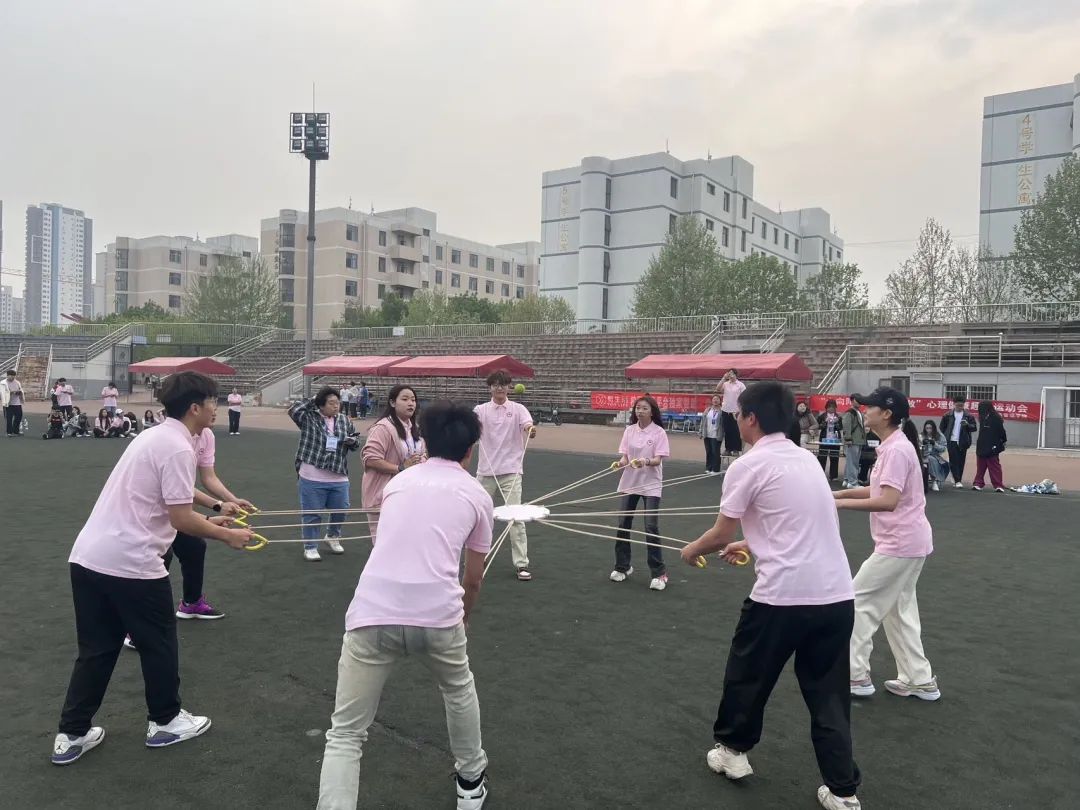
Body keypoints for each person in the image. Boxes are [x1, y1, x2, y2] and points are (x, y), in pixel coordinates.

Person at [50, 371, 253, 766]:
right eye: (212, 401)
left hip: (89, 558)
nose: (216, 408)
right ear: (195, 408)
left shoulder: (155, 436)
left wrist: (214, 512)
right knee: (158, 642)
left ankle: (71, 734)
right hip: (132, 564)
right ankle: (166, 721)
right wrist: (225, 535)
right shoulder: (177, 447)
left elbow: (171, 495)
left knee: (96, 650)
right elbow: (180, 518)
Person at [679, 381, 861, 810]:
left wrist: (691, 550)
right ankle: (843, 791)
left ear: (751, 418)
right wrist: (750, 542)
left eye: (739, 413)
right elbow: (799, 520)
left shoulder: (748, 465)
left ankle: (732, 752)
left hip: (781, 598)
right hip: (836, 596)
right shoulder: (807, 459)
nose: (737, 420)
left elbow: (720, 531)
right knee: (829, 694)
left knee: (747, 676)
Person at [316, 401, 493, 810]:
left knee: (345, 733)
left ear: (425, 443)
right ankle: (470, 781)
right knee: (458, 690)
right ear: (470, 450)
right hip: (438, 617)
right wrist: (464, 615)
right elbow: (473, 578)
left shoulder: (399, 483)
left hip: (372, 612)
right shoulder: (477, 495)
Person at [834, 388, 939, 705]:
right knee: (899, 612)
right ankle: (919, 679)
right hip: (908, 543)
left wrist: (838, 504)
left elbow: (888, 501)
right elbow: (877, 490)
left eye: (871, 407)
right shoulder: (894, 447)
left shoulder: (896, 450)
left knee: (857, 602)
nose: (865, 410)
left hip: (899, 545)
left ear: (887, 414)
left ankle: (855, 675)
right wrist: (837, 494)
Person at [473, 369, 537, 581]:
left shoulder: (518, 409)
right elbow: (471, 425)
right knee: (479, 518)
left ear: (509, 387)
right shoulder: (480, 410)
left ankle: (522, 564)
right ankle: (477, 559)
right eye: (495, 384)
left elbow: (527, 425)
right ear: (489, 388)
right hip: (486, 472)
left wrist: (530, 430)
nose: (499, 388)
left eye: (503, 384)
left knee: (515, 519)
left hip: (511, 471)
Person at [288, 386, 360, 562]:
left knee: (341, 509)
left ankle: (332, 536)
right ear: (321, 405)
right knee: (312, 513)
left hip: (338, 473)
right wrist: (315, 399)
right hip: (312, 474)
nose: (336, 406)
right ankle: (310, 546)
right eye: (331, 403)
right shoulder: (308, 417)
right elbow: (294, 410)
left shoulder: (344, 420)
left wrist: (352, 441)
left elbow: (355, 441)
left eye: (338, 403)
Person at [609, 396, 671, 591]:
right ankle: (622, 566)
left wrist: (645, 461)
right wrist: (620, 463)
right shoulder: (629, 430)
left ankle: (659, 573)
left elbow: (658, 460)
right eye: (637, 408)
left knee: (650, 527)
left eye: (644, 408)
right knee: (623, 524)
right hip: (630, 482)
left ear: (652, 411)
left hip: (651, 484)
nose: (640, 411)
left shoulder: (659, 432)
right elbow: (625, 456)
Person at [360, 385, 424, 544]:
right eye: (405, 399)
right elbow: (370, 458)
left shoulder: (414, 428)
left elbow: (423, 453)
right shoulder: (383, 428)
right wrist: (400, 468)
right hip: (383, 496)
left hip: (409, 495)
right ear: (392, 402)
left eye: (413, 400)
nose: (411, 403)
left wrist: (421, 460)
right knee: (384, 545)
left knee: (406, 545)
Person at [939, 396, 976, 489]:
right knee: (953, 460)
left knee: (961, 461)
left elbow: (974, 428)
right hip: (951, 441)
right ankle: (957, 480)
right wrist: (945, 437)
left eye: (961, 405)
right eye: (958, 405)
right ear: (954, 404)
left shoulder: (968, 416)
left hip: (963, 441)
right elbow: (942, 428)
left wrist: (967, 425)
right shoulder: (947, 415)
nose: (960, 407)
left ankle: (958, 478)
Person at [973, 401, 1007, 492]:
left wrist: (1003, 441)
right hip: (982, 444)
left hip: (993, 444)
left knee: (994, 466)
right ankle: (978, 483)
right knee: (981, 466)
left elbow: (1002, 431)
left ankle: (998, 485)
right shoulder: (982, 417)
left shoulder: (996, 418)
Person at [715, 369, 745, 455]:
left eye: (732, 373)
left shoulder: (740, 385)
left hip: (736, 411)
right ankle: (728, 449)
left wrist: (740, 409)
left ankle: (736, 449)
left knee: (736, 430)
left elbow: (744, 397)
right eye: (729, 373)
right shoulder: (725, 384)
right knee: (727, 430)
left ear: (736, 375)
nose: (730, 375)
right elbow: (718, 389)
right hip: (726, 410)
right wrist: (723, 378)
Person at [841, 400, 867, 489]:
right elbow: (846, 426)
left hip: (858, 439)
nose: (859, 402)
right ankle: (853, 482)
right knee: (853, 462)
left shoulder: (858, 412)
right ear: (852, 401)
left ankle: (847, 480)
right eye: (857, 400)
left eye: (860, 400)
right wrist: (848, 439)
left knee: (850, 461)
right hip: (853, 440)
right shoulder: (849, 412)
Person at [817, 400, 842, 481]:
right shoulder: (822, 416)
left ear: (835, 408)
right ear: (826, 408)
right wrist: (825, 422)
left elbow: (841, 427)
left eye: (833, 407)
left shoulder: (838, 417)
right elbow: (818, 426)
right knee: (822, 457)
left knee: (834, 457)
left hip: (835, 439)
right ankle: (820, 474)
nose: (831, 409)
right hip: (824, 439)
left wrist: (837, 423)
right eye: (829, 407)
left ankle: (833, 476)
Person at [699, 394, 723, 473]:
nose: (715, 400)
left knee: (715, 452)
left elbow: (723, 424)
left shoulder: (722, 411)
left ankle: (715, 469)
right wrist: (701, 432)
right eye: (714, 399)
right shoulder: (708, 410)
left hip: (716, 434)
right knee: (708, 451)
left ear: (720, 401)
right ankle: (708, 467)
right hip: (707, 434)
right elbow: (703, 422)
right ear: (712, 401)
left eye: (717, 399)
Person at [921, 422, 948, 492]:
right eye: (927, 428)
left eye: (930, 428)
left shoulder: (940, 436)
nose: (929, 430)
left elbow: (943, 448)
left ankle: (934, 481)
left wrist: (935, 444)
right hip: (922, 455)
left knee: (930, 459)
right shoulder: (921, 435)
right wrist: (922, 444)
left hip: (935, 456)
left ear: (934, 428)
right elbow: (917, 446)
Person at [4, 369, 24, 436]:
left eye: (14, 376)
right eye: (11, 376)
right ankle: (9, 432)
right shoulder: (4, 383)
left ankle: (16, 431)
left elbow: (20, 390)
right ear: (7, 376)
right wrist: (11, 392)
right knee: (9, 418)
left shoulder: (17, 382)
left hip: (17, 403)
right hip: (8, 404)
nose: (12, 378)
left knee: (18, 417)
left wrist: (19, 392)